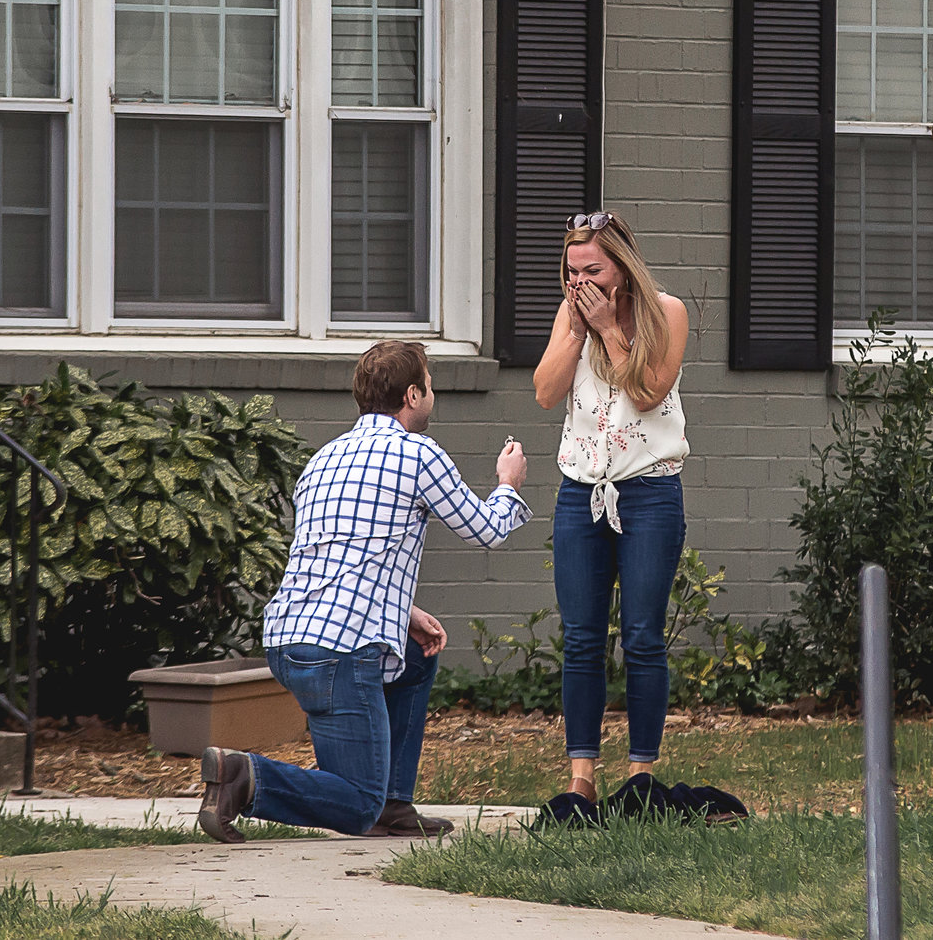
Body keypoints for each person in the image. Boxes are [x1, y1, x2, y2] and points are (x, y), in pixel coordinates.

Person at [198, 339, 530, 842]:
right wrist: (508, 484)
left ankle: (392, 805)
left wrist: (405, 610)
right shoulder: (418, 453)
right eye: (431, 385)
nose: (433, 395)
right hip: (341, 652)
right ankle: (246, 777)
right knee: (354, 804)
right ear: (413, 395)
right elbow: (485, 529)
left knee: (416, 657)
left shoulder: (324, 459)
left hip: (290, 639)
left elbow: (337, 555)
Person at [531, 211, 692, 806]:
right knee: (581, 638)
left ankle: (642, 777)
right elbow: (546, 393)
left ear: (623, 267)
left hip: (648, 491)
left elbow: (648, 392)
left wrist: (608, 330)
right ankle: (581, 780)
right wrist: (576, 331)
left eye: (593, 269)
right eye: (572, 271)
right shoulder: (571, 315)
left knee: (644, 637)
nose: (581, 282)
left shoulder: (666, 312)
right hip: (581, 491)